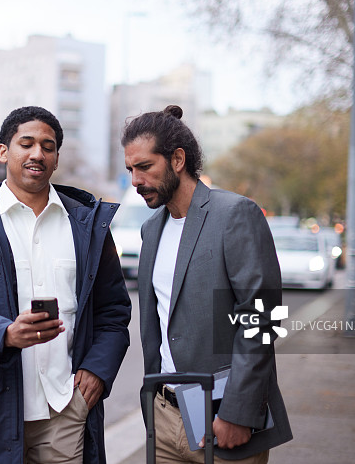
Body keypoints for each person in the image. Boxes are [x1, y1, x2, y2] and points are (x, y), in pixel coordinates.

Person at [0, 106, 132, 464]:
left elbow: (114, 311)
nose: (36, 153)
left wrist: (98, 371)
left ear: (56, 158)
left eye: (47, 146)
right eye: (25, 143)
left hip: (66, 409)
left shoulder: (88, 228)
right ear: (3, 152)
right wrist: (6, 334)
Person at [122, 105, 293, 463]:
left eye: (144, 167)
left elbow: (262, 319)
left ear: (178, 159)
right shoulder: (151, 231)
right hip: (165, 417)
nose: (135, 180)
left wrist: (238, 412)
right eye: (130, 170)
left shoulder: (235, 214)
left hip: (223, 420)